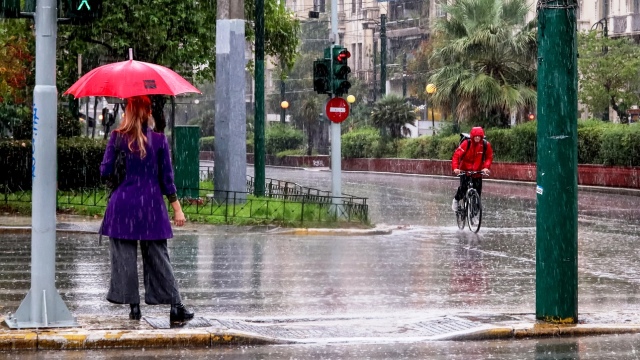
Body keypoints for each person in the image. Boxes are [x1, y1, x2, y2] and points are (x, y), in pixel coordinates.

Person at [99, 95, 194, 322]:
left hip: (122, 206)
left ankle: (134, 307)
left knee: (124, 258)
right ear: (148, 113)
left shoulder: (117, 138)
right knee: (159, 258)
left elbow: (104, 171)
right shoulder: (160, 141)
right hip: (151, 207)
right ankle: (175, 306)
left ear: (128, 112)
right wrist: (177, 209)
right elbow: (167, 179)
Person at [451, 126, 494, 211]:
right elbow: (456, 155)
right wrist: (455, 168)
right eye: (476, 136)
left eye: (479, 136)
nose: (477, 138)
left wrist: (486, 167)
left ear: (482, 136)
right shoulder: (467, 143)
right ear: (472, 136)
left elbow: (489, 157)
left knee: (477, 193)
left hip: (477, 172)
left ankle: (475, 213)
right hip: (465, 171)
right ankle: (456, 200)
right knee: (463, 188)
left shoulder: (485, 145)